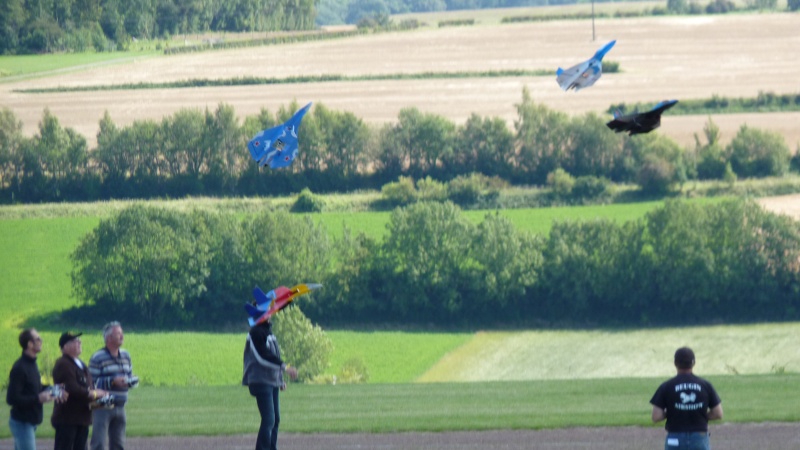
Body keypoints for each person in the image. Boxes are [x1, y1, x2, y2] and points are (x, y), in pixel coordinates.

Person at [650, 347, 723, 450]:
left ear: (675, 363)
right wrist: (700, 414)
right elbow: (718, 413)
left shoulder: (666, 386)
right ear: (693, 363)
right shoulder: (705, 385)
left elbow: (656, 416)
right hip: (699, 437)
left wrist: (673, 412)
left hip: (675, 437)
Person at [242, 314, 298, 450]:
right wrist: (285, 367)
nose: (271, 314)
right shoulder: (255, 333)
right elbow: (263, 356)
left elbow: (274, 355)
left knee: (275, 419)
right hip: (260, 380)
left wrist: (280, 380)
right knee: (269, 419)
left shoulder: (268, 332)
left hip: (271, 381)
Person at [7, 328, 63, 450]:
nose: (41, 340)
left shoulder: (32, 364)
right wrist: (38, 398)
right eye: (38, 338)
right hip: (22, 422)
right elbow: (11, 398)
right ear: (29, 344)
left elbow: (34, 388)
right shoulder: (20, 367)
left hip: (30, 422)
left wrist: (52, 388)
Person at [52, 332, 107, 450]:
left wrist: (98, 398)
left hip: (81, 417)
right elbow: (71, 387)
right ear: (65, 347)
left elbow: (88, 385)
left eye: (79, 340)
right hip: (68, 418)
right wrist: (94, 393)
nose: (79, 342)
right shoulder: (63, 363)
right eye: (75, 341)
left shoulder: (79, 363)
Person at [89, 321, 135, 450]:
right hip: (102, 406)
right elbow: (91, 382)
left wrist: (130, 381)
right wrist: (112, 381)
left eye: (122, 333)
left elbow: (129, 375)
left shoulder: (126, 355)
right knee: (99, 444)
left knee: (119, 445)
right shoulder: (97, 357)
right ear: (108, 338)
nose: (122, 336)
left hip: (120, 405)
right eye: (118, 334)